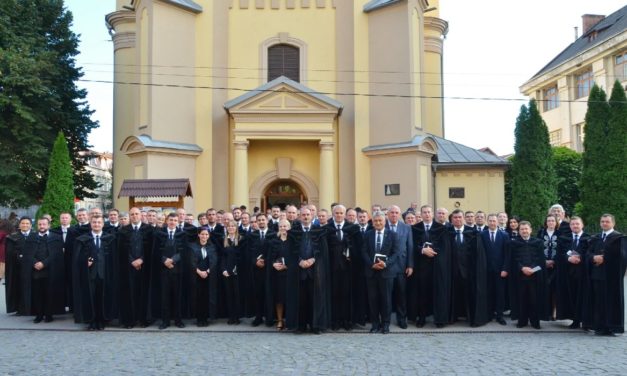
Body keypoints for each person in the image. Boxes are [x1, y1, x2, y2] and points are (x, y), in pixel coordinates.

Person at [285, 207, 330, 334]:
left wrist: (313, 260)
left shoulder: (319, 231)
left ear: (312, 215)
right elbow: (289, 251)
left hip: (315, 272)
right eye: (303, 215)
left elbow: (323, 252)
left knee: (315, 299)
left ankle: (315, 325)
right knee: (300, 300)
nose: (305, 217)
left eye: (308, 215)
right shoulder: (293, 232)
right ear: (299, 216)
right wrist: (299, 261)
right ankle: (301, 326)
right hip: (298, 272)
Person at [72, 215, 118, 330]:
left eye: (99, 222)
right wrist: (84, 262)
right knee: (91, 297)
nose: (96, 224)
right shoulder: (82, 239)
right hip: (89, 275)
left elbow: (115, 258)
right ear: (90, 224)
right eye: (94, 222)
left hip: (105, 273)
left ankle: (102, 320)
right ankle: (92, 320)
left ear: (103, 224)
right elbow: (76, 258)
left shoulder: (110, 239)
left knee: (103, 297)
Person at [583, 214, 626, 336]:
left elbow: (622, 257)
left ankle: (611, 327)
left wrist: (605, 258)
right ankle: (599, 326)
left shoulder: (619, 239)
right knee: (598, 301)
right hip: (596, 276)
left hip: (612, 277)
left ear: (613, 223)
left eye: (607, 222)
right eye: (602, 221)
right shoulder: (596, 238)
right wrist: (593, 257)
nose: (604, 224)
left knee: (610, 301)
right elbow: (588, 253)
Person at [409, 205, 451, 328]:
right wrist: (422, 250)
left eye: (429, 212)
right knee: (422, 292)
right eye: (424, 212)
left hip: (436, 265)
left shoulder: (441, 228)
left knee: (437, 292)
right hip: (420, 266)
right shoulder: (415, 228)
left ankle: (439, 319)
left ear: (432, 214)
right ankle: (421, 317)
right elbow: (412, 245)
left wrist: (432, 251)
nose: (427, 214)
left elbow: (444, 246)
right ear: (421, 214)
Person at [20, 218, 65, 323]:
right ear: (37, 226)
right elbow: (27, 253)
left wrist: (44, 263)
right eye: (40, 224)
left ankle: (49, 315)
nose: (42, 226)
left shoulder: (56, 237)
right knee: (37, 294)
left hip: (50, 270)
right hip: (35, 270)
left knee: (49, 293)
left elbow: (56, 254)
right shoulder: (31, 238)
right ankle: (39, 315)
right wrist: (35, 263)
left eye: (44, 224)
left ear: (48, 225)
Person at [448, 209, 488, 327]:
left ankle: (470, 317)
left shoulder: (473, 233)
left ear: (464, 218)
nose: (458, 219)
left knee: (469, 294)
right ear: (452, 219)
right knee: (454, 294)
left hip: (469, 271)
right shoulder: (447, 232)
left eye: (460, 217)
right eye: (455, 218)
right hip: (452, 270)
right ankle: (453, 317)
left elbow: (478, 253)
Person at [362, 211, 399, 334]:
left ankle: (386, 324)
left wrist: (386, 263)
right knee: (373, 300)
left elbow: (396, 253)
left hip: (386, 272)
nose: (378, 223)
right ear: (372, 222)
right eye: (375, 221)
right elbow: (364, 252)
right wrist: (371, 264)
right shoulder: (367, 235)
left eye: (380, 221)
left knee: (386, 300)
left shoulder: (392, 235)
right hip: (371, 273)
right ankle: (375, 324)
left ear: (385, 221)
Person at [117, 207, 154, 328]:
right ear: (129, 216)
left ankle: (144, 320)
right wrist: (132, 261)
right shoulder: (123, 230)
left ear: (141, 215)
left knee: (144, 293)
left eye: (136, 214)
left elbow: (151, 249)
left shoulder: (149, 230)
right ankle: (130, 321)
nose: (134, 216)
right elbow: (121, 250)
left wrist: (141, 259)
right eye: (132, 214)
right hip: (128, 268)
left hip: (145, 267)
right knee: (130, 293)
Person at [326, 204, 361, 331]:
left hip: (348, 268)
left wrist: (352, 253)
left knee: (347, 294)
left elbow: (358, 247)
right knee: (334, 294)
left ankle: (347, 320)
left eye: (341, 213)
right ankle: (335, 321)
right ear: (333, 214)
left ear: (345, 215)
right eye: (337, 213)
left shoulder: (352, 228)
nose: (339, 215)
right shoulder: (327, 228)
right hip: (332, 268)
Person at [509, 221, 546, 329]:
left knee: (534, 299)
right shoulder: (514, 243)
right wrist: (522, 268)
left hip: (534, 276)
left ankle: (535, 321)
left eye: (526, 229)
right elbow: (513, 259)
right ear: (519, 231)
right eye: (522, 229)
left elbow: (540, 259)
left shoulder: (538, 242)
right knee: (521, 298)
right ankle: (522, 320)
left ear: (530, 230)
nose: (524, 231)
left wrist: (532, 269)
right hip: (520, 276)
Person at [153, 213, 186, 329]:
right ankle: (165, 321)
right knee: (164, 296)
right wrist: (164, 260)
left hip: (177, 270)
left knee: (178, 296)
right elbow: (155, 251)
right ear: (167, 221)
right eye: (171, 220)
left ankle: (178, 320)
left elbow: (184, 252)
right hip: (163, 270)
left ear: (178, 222)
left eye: (175, 220)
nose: (173, 222)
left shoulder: (182, 234)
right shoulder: (159, 234)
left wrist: (173, 260)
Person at [555, 216, 589, 329]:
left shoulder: (589, 238)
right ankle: (575, 320)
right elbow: (559, 255)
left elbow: (591, 254)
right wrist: (568, 258)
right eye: (573, 224)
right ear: (570, 226)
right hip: (568, 273)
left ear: (582, 225)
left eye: (577, 224)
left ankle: (585, 321)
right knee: (572, 297)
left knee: (584, 298)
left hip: (584, 274)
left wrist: (581, 258)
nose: (575, 226)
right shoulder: (564, 239)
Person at [386, 205, 413, 329]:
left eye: (396, 212)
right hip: (386, 267)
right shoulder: (381, 225)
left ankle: (402, 319)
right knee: (386, 295)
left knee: (401, 294)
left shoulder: (406, 227)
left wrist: (410, 265)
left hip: (402, 267)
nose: (394, 215)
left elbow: (410, 247)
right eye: (392, 212)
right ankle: (385, 320)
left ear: (399, 214)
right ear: (387, 214)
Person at [481, 214, 510, 325]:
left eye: (494, 221)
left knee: (500, 294)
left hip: (500, 270)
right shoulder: (482, 235)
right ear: (487, 222)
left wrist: (505, 269)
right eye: (490, 221)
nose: (492, 223)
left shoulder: (504, 235)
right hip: (486, 270)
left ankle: (499, 315)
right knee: (488, 293)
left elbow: (507, 254)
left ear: (497, 222)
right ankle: (489, 314)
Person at [5, 217, 35, 315]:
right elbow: (9, 253)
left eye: (27, 223)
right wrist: (19, 256)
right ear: (19, 225)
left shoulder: (36, 236)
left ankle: (34, 308)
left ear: (31, 225)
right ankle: (20, 309)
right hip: (18, 267)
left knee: (34, 288)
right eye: (23, 223)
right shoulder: (12, 237)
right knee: (19, 288)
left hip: (33, 267)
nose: (25, 225)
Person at [248, 215, 275, 327]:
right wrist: (255, 261)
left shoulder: (273, 234)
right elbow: (248, 252)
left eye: (263, 220)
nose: (261, 222)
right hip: (256, 270)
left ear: (267, 221)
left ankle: (269, 318)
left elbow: (275, 251)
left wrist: (266, 261)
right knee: (258, 293)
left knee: (269, 293)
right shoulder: (252, 235)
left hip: (269, 269)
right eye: (258, 220)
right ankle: (258, 317)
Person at [190, 227, 219, 327]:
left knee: (207, 297)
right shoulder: (192, 246)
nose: (204, 236)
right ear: (198, 235)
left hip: (209, 276)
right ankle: (199, 318)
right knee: (198, 297)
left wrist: (207, 271)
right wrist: (199, 272)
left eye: (206, 234)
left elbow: (214, 261)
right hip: (196, 275)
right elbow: (191, 261)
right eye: (202, 234)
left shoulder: (212, 247)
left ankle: (206, 318)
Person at [266, 219, 291, 330]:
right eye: (281, 226)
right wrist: (273, 264)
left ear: (289, 227)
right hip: (277, 274)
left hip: (290, 274)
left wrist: (288, 266)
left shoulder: (293, 241)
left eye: (285, 226)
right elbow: (269, 257)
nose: (283, 228)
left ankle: (290, 320)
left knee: (290, 298)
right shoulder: (273, 242)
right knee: (279, 298)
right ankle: (280, 320)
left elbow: (296, 257)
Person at [221, 220, 246, 325]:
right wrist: (224, 269)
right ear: (226, 228)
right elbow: (222, 257)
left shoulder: (241, 239)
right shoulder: (223, 240)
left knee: (237, 294)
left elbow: (242, 256)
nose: (231, 228)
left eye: (233, 226)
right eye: (229, 226)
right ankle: (231, 316)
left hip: (237, 271)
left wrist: (236, 268)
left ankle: (237, 317)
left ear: (236, 228)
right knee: (229, 294)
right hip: (227, 271)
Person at [537, 214, 560, 320]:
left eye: (552, 221)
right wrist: (544, 261)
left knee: (555, 289)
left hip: (556, 266)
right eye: (549, 221)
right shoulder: (541, 233)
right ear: (546, 222)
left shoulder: (560, 234)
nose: (551, 222)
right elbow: (537, 249)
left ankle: (554, 312)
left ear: (556, 223)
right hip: (543, 265)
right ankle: (544, 312)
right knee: (544, 288)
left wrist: (554, 261)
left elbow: (562, 249)